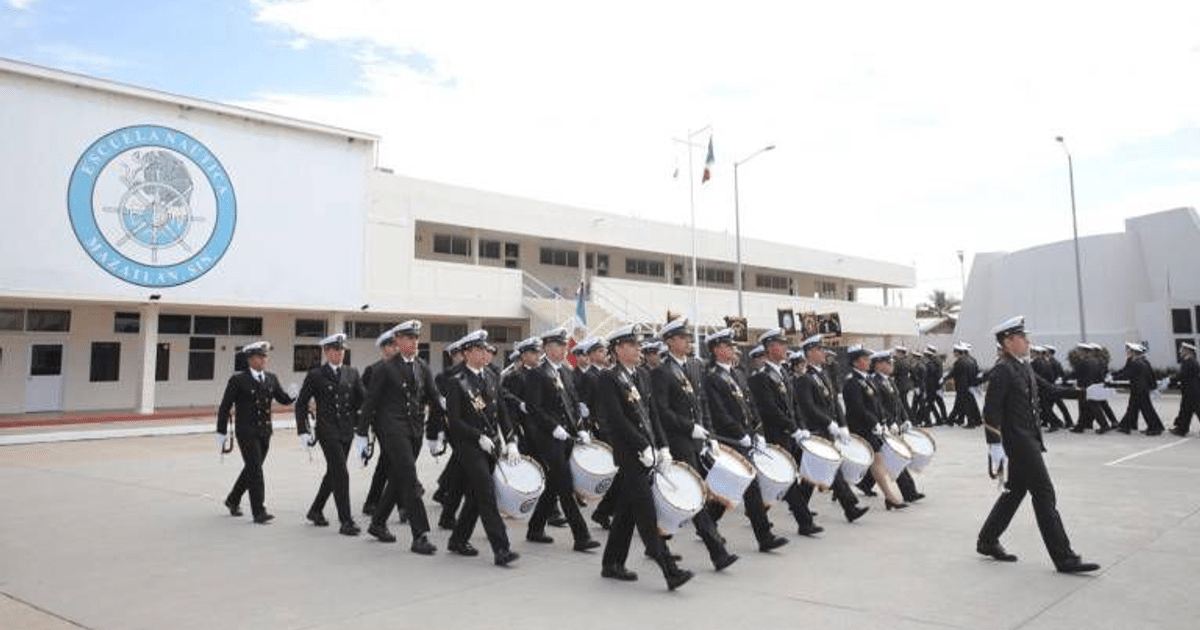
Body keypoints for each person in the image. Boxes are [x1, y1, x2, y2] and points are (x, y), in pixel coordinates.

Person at [977, 315, 1099, 574]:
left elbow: (1050, 390)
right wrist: (994, 445)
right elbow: (991, 410)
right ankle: (1064, 558)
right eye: (1023, 337)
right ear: (1008, 341)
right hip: (1018, 444)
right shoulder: (1003, 369)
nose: (1028, 341)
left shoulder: (1023, 367)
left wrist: (1087, 392)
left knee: (1015, 492)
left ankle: (987, 540)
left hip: (1029, 440)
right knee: (1044, 494)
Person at [596, 324, 694, 590]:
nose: (640, 349)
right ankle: (670, 572)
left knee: (627, 513)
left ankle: (611, 563)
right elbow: (616, 419)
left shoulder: (641, 374)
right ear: (618, 349)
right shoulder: (608, 378)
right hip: (630, 455)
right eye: (634, 345)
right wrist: (642, 446)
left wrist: (662, 446)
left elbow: (652, 415)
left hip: (647, 454)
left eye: (639, 345)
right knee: (646, 514)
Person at [651, 318, 738, 569]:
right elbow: (662, 411)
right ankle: (717, 551)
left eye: (688, 338)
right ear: (669, 342)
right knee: (696, 493)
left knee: (687, 493)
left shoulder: (693, 366)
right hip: (678, 441)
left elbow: (701, 404)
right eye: (683, 338)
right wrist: (690, 427)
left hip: (697, 439)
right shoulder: (661, 372)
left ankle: (657, 542)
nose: (688, 341)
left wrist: (708, 434)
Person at [354, 320, 440, 555]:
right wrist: (362, 435)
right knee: (410, 478)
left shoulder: (423, 367)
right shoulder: (385, 368)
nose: (414, 342)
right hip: (392, 429)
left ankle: (378, 523)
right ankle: (420, 535)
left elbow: (434, 397)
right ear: (398, 341)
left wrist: (440, 429)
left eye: (416, 338)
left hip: (415, 430)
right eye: (409, 338)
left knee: (398, 478)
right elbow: (370, 402)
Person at [703, 328, 790, 551]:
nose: (733, 349)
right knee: (750, 487)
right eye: (728, 346)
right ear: (716, 350)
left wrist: (757, 433)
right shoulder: (712, 378)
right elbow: (719, 413)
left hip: (746, 438)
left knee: (735, 486)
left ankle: (709, 523)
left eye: (732, 345)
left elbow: (751, 406)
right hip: (730, 440)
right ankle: (764, 537)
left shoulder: (738, 374)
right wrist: (739, 434)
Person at [444, 330, 522, 567]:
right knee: (487, 493)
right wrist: (478, 437)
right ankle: (502, 549)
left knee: (477, 498)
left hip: (491, 445)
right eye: (479, 349)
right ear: (467, 353)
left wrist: (511, 440)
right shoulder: (456, 382)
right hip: (469, 446)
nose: (484, 353)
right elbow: (455, 420)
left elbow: (503, 413)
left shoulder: (491, 376)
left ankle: (458, 539)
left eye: (485, 349)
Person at [521, 328, 601, 551]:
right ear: (547, 348)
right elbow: (533, 407)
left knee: (554, 485)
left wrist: (582, 428)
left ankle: (535, 528)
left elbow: (573, 402)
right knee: (565, 485)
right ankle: (581, 536)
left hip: (568, 436)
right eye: (559, 345)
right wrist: (553, 427)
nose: (565, 349)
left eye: (565, 345)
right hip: (548, 437)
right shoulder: (537, 373)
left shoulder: (566, 372)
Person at [790, 334, 870, 524]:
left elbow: (835, 402)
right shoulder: (804, 379)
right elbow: (808, 408)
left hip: (829, 430)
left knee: (812, 476)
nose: (823, 353)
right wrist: (829, 423)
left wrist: (842, 425)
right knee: (831, 468)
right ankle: (850, 507)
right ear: (809, 353)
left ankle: (799, 507)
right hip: (816, 432)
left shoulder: (823, 374)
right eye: (819, 349)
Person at [216, 341, 296, 524]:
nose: (264, 360)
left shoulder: (271, 378)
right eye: (260, 357)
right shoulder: (238, 380)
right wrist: (221, 431)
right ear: (251, 359)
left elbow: (282, 399)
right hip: (246, 432)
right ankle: (259, 511)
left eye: (265, 356)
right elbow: (225, 406)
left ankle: (233, 499)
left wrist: (293, 395)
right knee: (256, 471)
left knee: (252, 469)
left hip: (265, 432)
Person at [295, 333, 366, 535]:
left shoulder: (352, 373)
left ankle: (316, 510)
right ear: (326, 352)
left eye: (342, 350)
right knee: (341, 473)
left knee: (333, 473)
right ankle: (346, 521)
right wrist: (303, 430)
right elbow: (301, 404)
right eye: (335, 350)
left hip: (346, 430)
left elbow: (364, 399)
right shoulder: (316, 375)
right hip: (327, 431)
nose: (339, 353)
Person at [841, 345, 907, 510]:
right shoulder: (852, 382)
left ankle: (841, 487)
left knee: (869, 462)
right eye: (864, 359)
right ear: (856, 362)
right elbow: (858, 408)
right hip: (861, 428)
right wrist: (874, 423)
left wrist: (883, 421)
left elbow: (877, 404)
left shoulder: (867, 379)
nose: (868, 361)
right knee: (876, 461)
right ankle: (890, 497)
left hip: (872, 427)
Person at [867, 350, 925, 502]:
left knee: (882, 461)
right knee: (895, 458)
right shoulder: (874, 382)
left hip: (895, 425)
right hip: (885, 426)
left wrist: (905, 419)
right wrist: (889, 422)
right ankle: (909, 492)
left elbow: (898, 403)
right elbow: (878, 406)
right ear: (878, 365)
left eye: (891, 362)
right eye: (888, 362)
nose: (892, 365)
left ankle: (865, 483)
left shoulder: (889, 380)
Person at [362, 328, 403, 517]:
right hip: (381, 424)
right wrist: (364, 427)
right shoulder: (373, 370)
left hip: (401, 423)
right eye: (391, 346)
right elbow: (365, 399)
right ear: (384, 348)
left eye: (396, 345)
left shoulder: (403, 368)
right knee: (395, 461)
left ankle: (373, 501)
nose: (395, 349)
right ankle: (403, 506)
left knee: (388, 462)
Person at [1113, 342, 1165, 435]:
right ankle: (1126, 426)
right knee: (1133, 408)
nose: (1127, 352)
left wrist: (1113, 378)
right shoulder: (1143, 361)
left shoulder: (1136, 363)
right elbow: (1151, 375)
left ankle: (1155, 428)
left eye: (1129, 350)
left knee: (1146, 409)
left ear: (1134, 352)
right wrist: (1153, 386)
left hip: (1139, 389)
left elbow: (1126, 374)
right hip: (1140, 388)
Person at [1170, 342, 1200, 436]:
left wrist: (1172, 380)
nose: (1181, 352)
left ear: (1188, 351)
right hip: (1190, 389)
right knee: (1186, 409)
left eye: (1183, 350)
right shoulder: (1189, 360)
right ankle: (1181, 429)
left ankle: (1182, 429)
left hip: (1191, 390)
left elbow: (1183, 375)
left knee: (1193, 409)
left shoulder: (1190, 361)